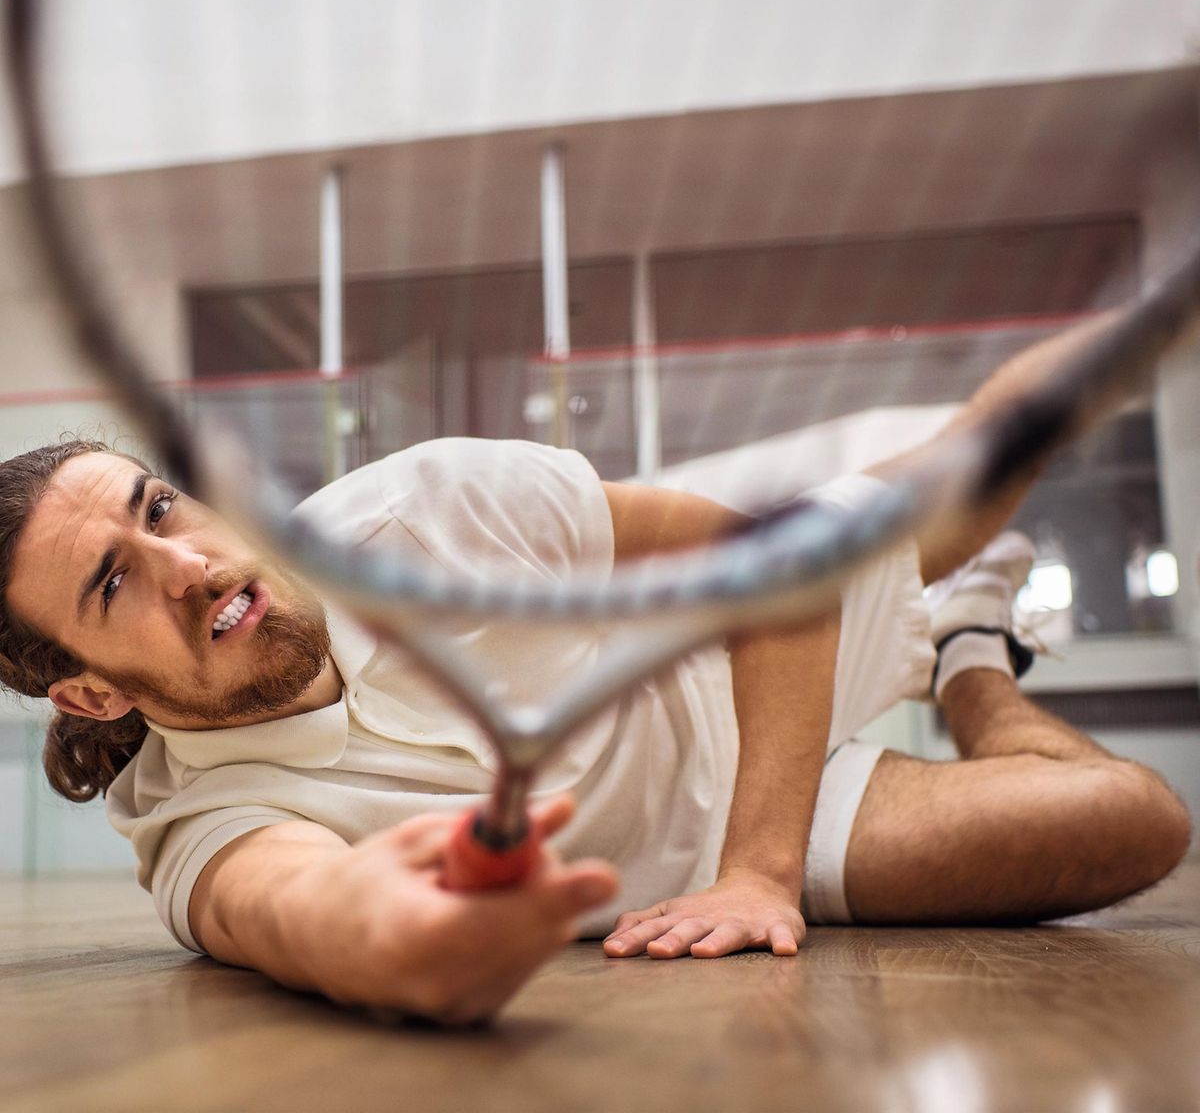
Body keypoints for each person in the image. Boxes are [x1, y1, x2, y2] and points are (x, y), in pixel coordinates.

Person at [0, 315, 1190, 1025]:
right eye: (113, 581)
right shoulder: (201, 826)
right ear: (92, 695)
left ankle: (979, 593)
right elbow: (296, 907)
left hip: (757, 649)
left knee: (1005, 448)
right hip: (730, 836)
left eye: (160, 508)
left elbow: (766, 570)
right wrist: (394, 935)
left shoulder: (428, 505)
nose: (189, 562)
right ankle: (978, 663)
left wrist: (759, 872)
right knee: (1133, 822)